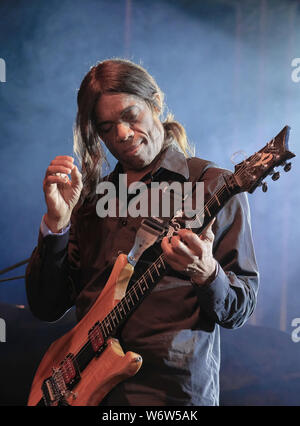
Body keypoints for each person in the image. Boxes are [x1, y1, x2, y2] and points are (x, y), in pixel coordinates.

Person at [25, 58, 259, 406]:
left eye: (130, 116)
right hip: (84, 391)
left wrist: (207, 272)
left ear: (155, 103)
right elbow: (46, 306)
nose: (120, 134)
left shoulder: (211, 186)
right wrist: (57, 225)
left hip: (169, 396)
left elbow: (241, 306)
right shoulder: (90, 202)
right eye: (106, 128)